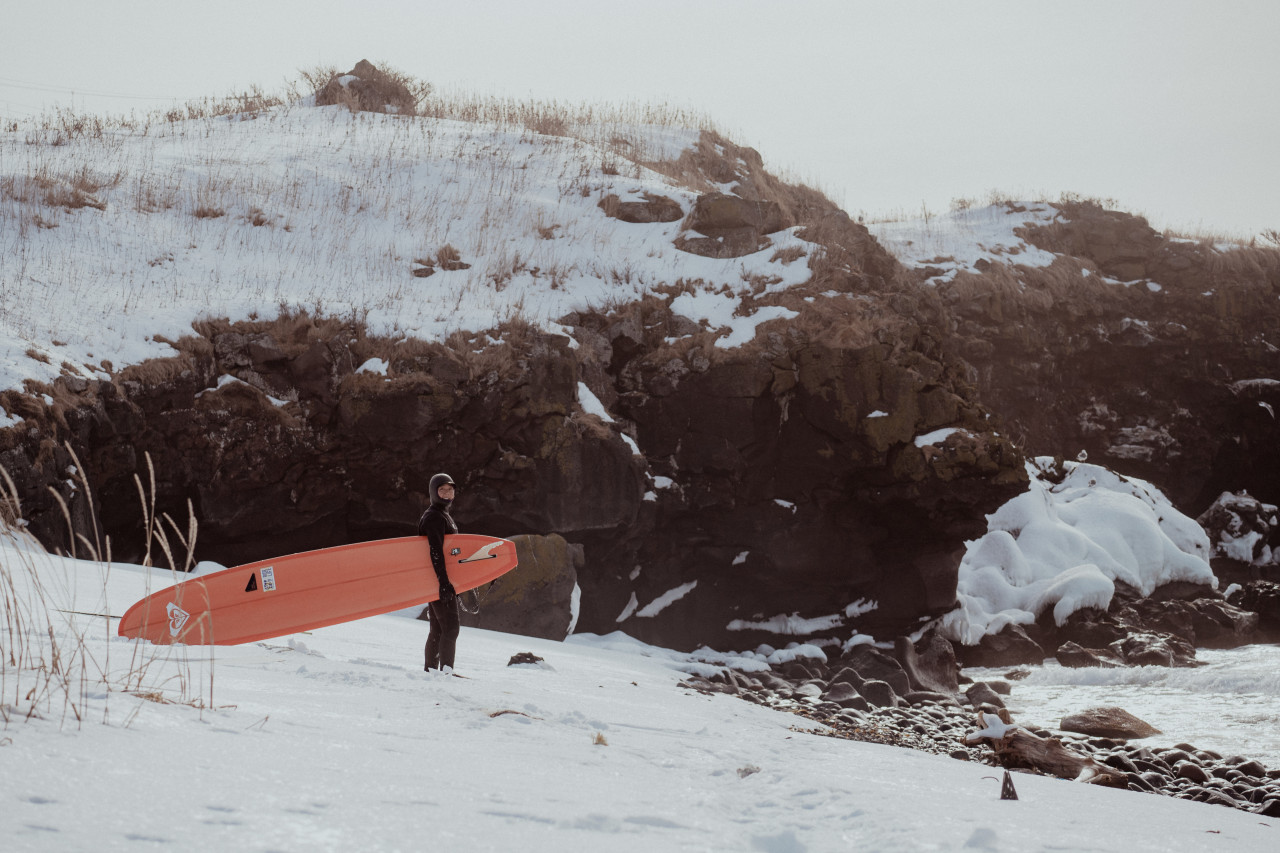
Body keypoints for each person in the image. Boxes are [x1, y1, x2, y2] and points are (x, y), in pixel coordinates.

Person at [418, 472, 460, 672]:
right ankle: (446, 672)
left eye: (450, 489)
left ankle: (431, 670)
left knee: (437, 629)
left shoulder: (442, 515)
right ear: (434, 492)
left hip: (436, 580)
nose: (446, 493)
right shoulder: (434, 516)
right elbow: (435, 551)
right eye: (442, 490)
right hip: (439, 581)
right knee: (451, 628)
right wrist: (443, 582)